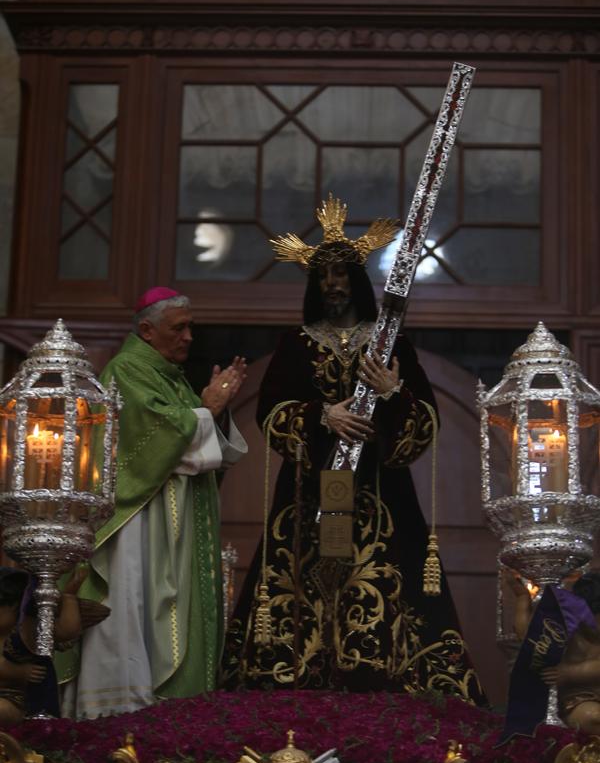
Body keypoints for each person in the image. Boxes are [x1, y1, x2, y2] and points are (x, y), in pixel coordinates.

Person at [222, 197, 484, 702]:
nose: (333, 284)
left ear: (358, 282)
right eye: (324, 278)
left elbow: (422, 423)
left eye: (342, 275)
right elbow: (272, 412)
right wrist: (323, 416)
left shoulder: (390, 344)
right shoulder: (297, 345)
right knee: (303, 585)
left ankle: (383, 694)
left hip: (380, 494)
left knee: (391, 586)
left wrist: (390, 391)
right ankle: (294, 692)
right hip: (309, 495)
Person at [60, 287, 247, 718]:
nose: (188, 338)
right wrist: (206, 409)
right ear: (146, 330)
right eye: (177, 329)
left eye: (189, 328)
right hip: (138, 523)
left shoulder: (166, 374)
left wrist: (210, 410)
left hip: (170, 521)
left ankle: (169, 715)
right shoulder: (128, 370)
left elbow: (197, 441)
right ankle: (120, 710)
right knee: (134, 603)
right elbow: (154, 444)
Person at [506, 568, 600, 734]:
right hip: (578, 698)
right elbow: (528, 637)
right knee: (593, 718)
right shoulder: (567, 626)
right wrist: (522, 599)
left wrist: (569, 673)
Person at [0, 566, 89, 725]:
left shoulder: (26, 628)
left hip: (14, 700)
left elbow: (66, 631)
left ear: (15, 607)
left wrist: (69, 597)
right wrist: (18, 671)